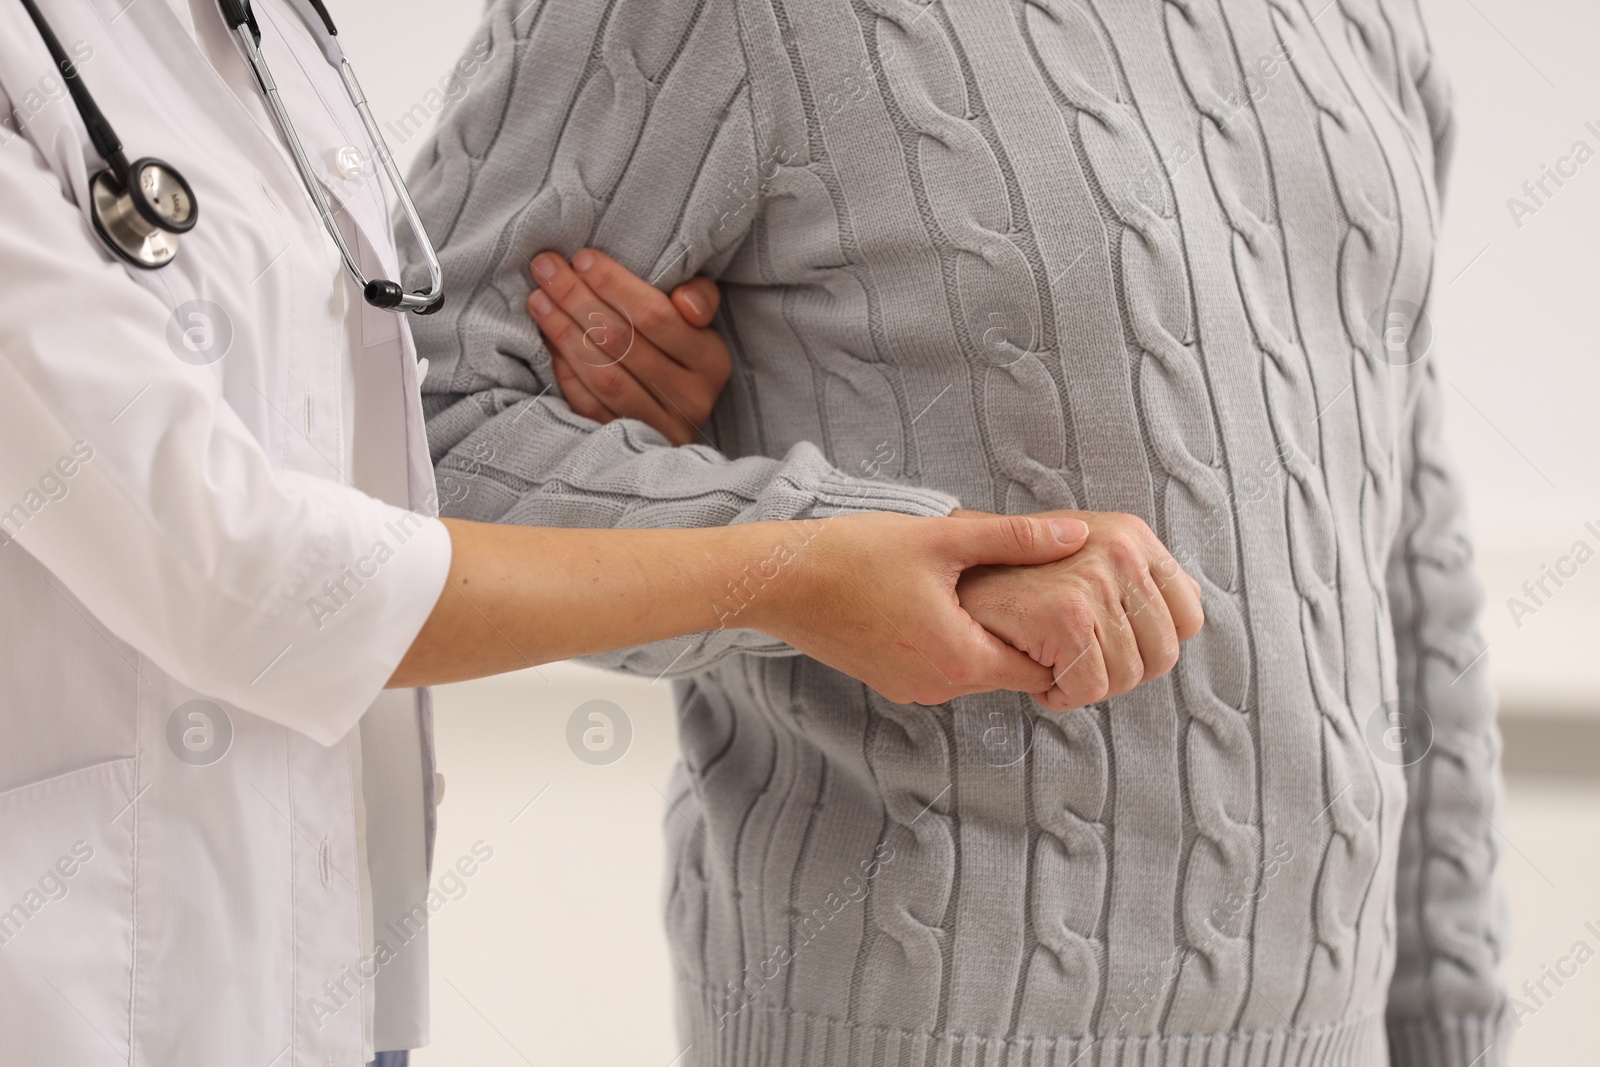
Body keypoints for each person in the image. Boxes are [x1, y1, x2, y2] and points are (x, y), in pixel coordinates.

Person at [0, 2, 1195, 1065]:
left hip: (323, 963)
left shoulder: (260, 33)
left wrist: (626, 428)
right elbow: (240, 570)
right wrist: (792, 564)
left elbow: (384, 431)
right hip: (86, 979)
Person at [405, 0, 1511, 1064]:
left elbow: (1401, 540)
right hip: (897, 1024)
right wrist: (827, 544)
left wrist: (1450, 1028)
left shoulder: (1371, 20)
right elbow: (419, 441)